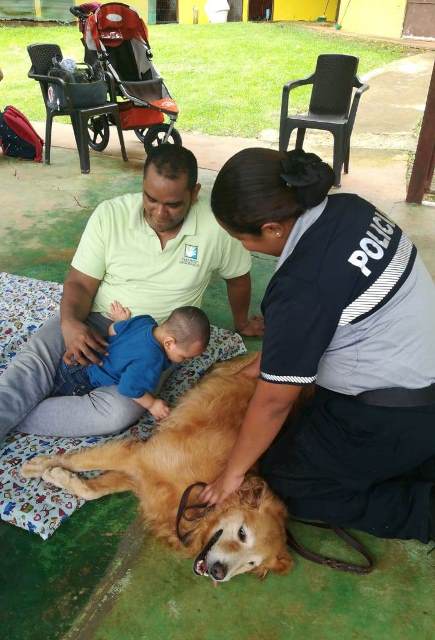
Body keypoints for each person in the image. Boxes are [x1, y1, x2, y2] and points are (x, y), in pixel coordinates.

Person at [200, 147, 435, 545]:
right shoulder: (351, 208)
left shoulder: (299, 285)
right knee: (301, 434)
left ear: (273, 228)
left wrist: (232, 474)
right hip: (420, 377)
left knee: (286, 478)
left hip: (394, 415)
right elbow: (335, 303)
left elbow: (274, 403)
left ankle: (421, 512)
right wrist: (277, 357)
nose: (245, 248)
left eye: (241, 239)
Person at [0, 145, 262, 441]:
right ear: (143, 185)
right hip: (97, 320)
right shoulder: (111, 215)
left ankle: (17, 411)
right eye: (151, 199)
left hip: (156, 341)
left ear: (194, 192)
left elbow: (238, 278)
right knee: (30, 369)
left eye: (173, 204)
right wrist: (71, 324)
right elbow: (80, 283)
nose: (159, 212)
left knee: (116, 412)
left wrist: (242, 322)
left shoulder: (217, 228)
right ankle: (15, 404)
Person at [50, 302, 210, 420]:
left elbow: (113, 330)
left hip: (80, 356)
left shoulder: (146, 321)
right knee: (57, 398)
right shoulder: (151, 360)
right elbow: (129, 388)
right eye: (184, 357)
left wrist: (120, 320)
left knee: (52, 381)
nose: (183, 361)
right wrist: (152, 404)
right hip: (82, 378)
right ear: (169, 343)